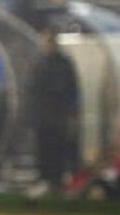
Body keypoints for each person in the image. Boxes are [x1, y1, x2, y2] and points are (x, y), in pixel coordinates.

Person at [27, 32, 80, 196]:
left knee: (56, 148)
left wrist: (70, 110)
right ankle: (46, 179)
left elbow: (71, 88)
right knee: (45, 148)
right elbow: (32, 89)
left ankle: (55, 180)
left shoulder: (60, 63)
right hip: (48, 115)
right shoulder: (41, 63)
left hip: (56, 115)